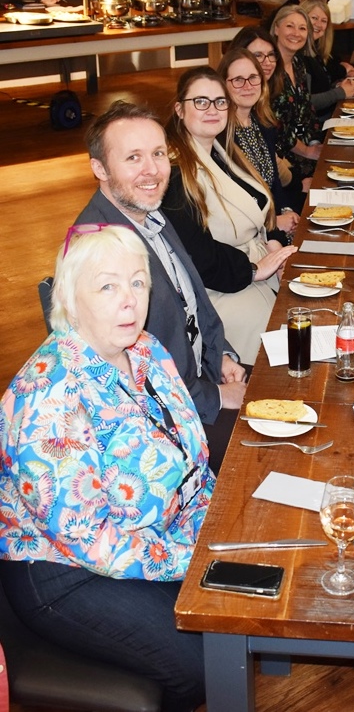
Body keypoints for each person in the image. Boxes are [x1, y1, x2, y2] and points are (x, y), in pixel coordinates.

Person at [0, 225, 214, 711]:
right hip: (65, 571)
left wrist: (214, 523)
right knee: (199, 661)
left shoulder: (146, 352)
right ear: (70, 301)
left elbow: (191, 456)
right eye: (107, 286)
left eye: (138, 282)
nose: (129, 300)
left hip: (154, 535)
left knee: (238, 595)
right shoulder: (49, 400)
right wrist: (191, 557)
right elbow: (89, 540)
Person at [75, 100, 247, 471]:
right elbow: (139, 378)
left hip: (196, 379)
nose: (152, 170)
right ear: (99, 168)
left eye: (157, 153)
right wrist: (215, 397)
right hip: (163, 425)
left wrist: (223, 357)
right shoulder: (100, 252)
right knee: (269, 445)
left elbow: (193, 302)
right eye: (133, 158)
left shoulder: (147, 213)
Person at [162, 67, 296, 365]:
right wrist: (252, 270)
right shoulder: (176, 172)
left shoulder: (221, 151)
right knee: (285, 357)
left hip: (254, 269)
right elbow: (195, 255)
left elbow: (262, 205)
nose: (213, 110)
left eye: (220, 102)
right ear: (179, 109)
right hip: (220, 290)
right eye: (201, 101)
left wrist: (272, 248)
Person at [217, 46, 300, 239]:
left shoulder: (263, 124)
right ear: (223, 85)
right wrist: (274, 223)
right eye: (238, 80)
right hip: (252, 236)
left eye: (253, 78)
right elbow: (232, 206)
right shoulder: (221, 135)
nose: (247, 86)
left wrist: (286, 210)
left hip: (275, 223)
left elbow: (274, 184)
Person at [270, 4, 323, 211]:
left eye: (302, 28)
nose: (296, 33)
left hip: (300, 153)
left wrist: (314, 141)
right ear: (276, 29)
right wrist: (307, 151)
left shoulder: (298, 63)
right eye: (290, 26)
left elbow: (305, 111)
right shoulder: (269, 70)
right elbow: (276, 126)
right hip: (282, 165)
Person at [299, 0, 354, 122]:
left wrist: (339, 86)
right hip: (317, 125)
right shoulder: (298, 56)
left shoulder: (317, 52)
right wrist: (340, 92)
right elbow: (306, 102)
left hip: (327, 117)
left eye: (324, 21)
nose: (318, 24)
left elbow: (322, 86)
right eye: (314, 18)